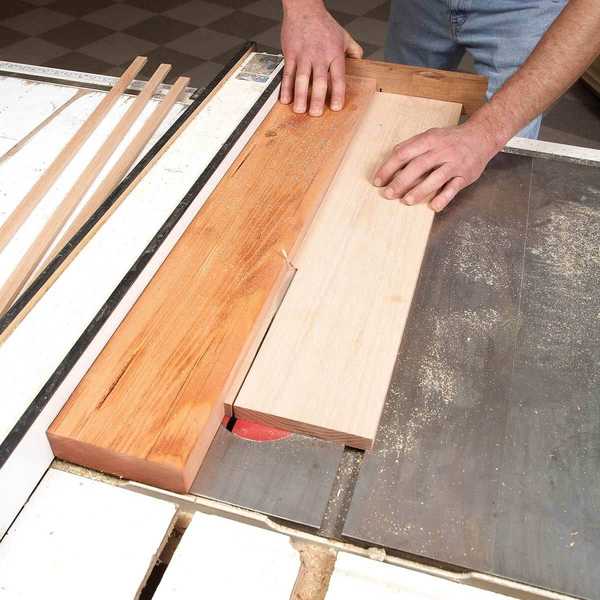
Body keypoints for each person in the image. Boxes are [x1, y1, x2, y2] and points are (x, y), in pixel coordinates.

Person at [279, 0, 600, 211]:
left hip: (527, 7)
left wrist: (487, 132)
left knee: (496, 179)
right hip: (419, 6)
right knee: (390, 135)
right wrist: (305, 11)